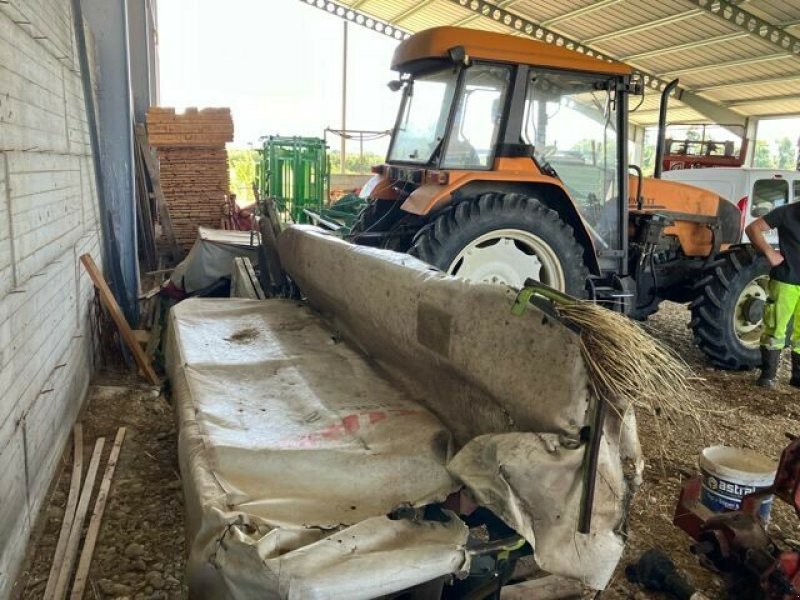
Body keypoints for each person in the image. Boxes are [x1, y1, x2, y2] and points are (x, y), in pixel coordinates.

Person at [746, 201, 800, 388]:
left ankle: (798, 377)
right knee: (775, 329)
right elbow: (753, 228)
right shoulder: (786, 212)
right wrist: (769, 252)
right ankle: (768, 376)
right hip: (786, 280)